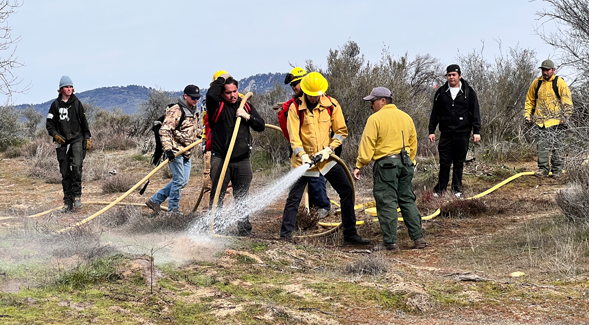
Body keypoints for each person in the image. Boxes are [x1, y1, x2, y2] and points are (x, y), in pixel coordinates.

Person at [280, 72, 369, 245]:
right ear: (305, 92)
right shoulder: (295, 108)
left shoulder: (332, 105)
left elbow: (341, 131)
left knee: (347, 190)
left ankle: (350, 235)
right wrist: (302, 155)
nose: (314, 99)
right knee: (294, 198)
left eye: (317, 95)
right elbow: (293, 137)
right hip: (303, 162)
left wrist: (330, 149)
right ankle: (285, 236)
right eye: (311, 95)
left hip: (326, 160)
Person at [353, 87, 426, 251]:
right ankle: (418, 238)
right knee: (407, 200)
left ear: (383, 101)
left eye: (372, 101)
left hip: (386, 166)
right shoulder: (406, 117)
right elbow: (413, 143)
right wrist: (410, 160)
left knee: (387, 202)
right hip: (406, 164)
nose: (370, 105)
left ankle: (390, 242)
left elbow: (367, 145)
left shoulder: (375, 119)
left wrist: (359, 165)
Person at [206, 73, 265, 236]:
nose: (233, 95)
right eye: (228, 92)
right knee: (217, 194)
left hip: (242, 160)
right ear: (221, 93)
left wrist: (247, 117)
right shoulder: (216, 106)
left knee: (242, 195)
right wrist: (220, 79)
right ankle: (214, 227)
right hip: (221, 158)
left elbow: (261, 126)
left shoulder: (245, 106)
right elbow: (210, 95)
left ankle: (244, 229)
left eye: (235, 91)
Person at [279, 67, 331, 218]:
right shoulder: (294, 104)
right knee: (304, 179)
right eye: (292, 85)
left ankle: (322, 206)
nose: (294, 87)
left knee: (316, 177)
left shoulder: (321, 100)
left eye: (296, 83)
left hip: (320, 148)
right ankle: (311, 208)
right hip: (301, 148)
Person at [145, 85, 202, 214]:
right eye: (193, 98)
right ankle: (173, 211)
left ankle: (155, 200)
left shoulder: (195, 111)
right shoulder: (175, 111)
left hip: (187, 152)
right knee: (179, 180)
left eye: (197, 98)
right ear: (185, 96)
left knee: (183, 182)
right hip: (176, 151)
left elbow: (195, 130)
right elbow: (165, 130)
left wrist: (202, 135)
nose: (195, 100)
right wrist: (168, 150)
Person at [428, 64, 481, 197]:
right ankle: (440, 189)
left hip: (462, 133)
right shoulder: (441, 92)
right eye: (449, 75)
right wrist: (431, 130)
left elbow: (475, 112)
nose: (451, 77)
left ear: (459, 76)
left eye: (454, 75)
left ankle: (456, 189)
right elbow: (435, 113)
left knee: (458, 162)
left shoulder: (468, 91)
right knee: (444, 162)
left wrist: (476, 131)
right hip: (446, 133)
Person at [46, 76, 92, 213]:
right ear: (61, 89)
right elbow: (49, 125)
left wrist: (87, 137)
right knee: (65, 173)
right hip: (62, 143)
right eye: (67, 87)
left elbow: (84, 122)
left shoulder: (77, 103)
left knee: (77, 168)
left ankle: (77, 197)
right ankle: (67, 202)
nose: (69, 89)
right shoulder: (55, 105)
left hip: (77, 139)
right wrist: (55, 135)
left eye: (71, 87)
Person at [524, 59, 573, 178]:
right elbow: (529, 100)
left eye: (547, 70)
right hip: (540, 121)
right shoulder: (536, 83)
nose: (545, 72)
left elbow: (567, 101)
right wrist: (527, 115)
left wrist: (566, 117)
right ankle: (543, 169)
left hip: (557, 121)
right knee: (542, 147)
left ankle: (557, 170)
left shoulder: (559, 83)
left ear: (553, 70)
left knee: (557, 147)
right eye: (543, 70)